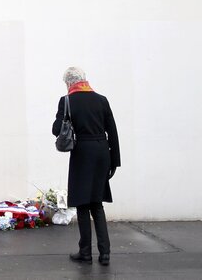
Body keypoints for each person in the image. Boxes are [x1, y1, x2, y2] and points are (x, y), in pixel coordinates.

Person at [52, 67, 120, 266]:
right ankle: (105, 253)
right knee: (97, 204)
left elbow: (56, 130)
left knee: (82, 204)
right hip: (102, 153)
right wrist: (115, 161)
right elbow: (113, 132)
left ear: (68, 83)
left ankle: (85, 252)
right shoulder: (102, 100)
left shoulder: (67, 101)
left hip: (82, 153)